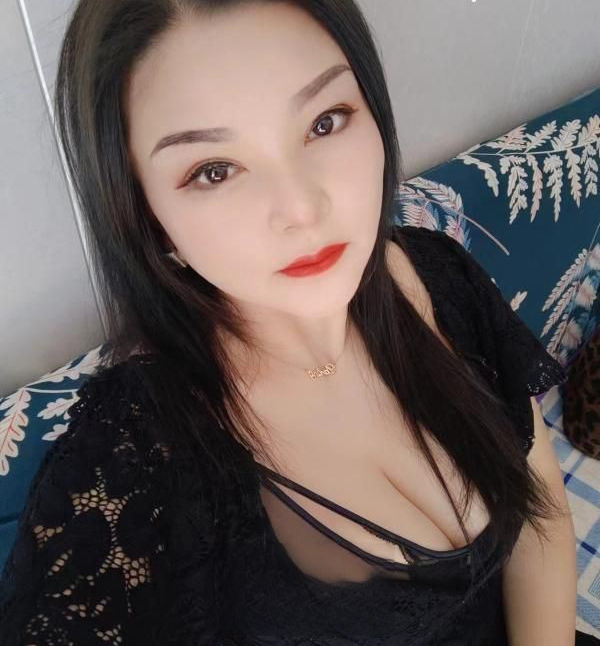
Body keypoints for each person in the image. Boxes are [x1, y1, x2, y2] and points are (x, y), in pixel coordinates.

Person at [0, 1, 596, 644]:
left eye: (324, 121)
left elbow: (540, 510)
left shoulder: (437, 276)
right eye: (214, 171)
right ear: (144, 215)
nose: (302, 208)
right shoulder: (133, 459)